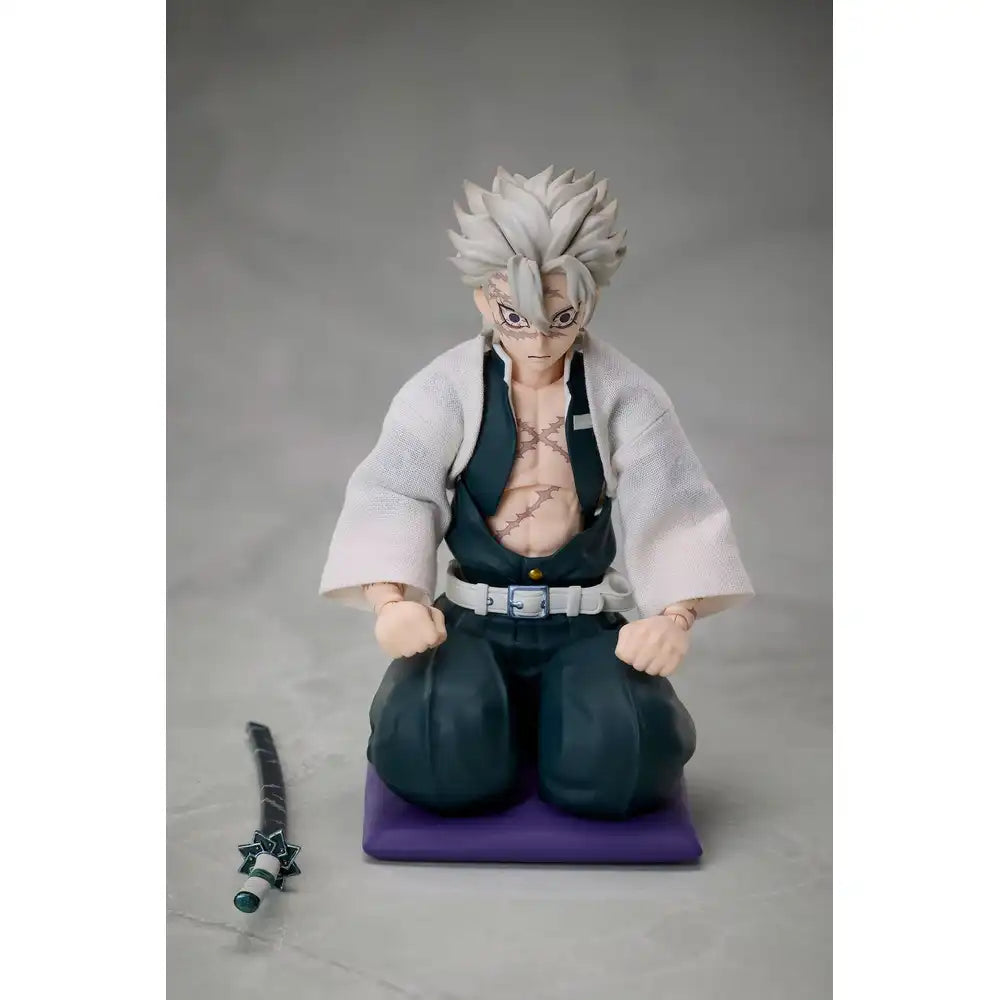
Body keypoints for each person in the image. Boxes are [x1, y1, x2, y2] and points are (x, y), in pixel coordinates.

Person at [320, 167, 752, 819]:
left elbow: (673, 500)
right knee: (434, 749)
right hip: (471, 619)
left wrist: (674, 617)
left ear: (590, 301)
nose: (539, 339)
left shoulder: (626, 395)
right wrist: (392, 601)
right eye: (515, 316)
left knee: (625, 759)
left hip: (583, 623)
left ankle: (573, 722)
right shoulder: (443, 390)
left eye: (562, 316)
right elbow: (394, 490)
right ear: (482, 299)